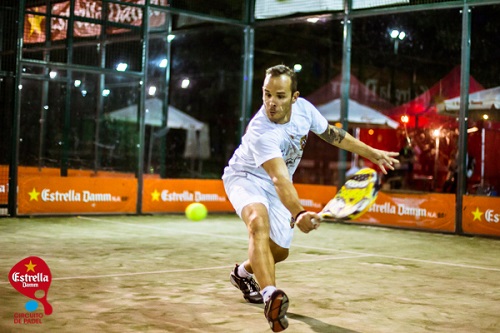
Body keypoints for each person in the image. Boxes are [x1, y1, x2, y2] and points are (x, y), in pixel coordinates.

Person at [222, 64, 399, 332]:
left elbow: (333, 134)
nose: (271, 102)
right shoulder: (262, 132)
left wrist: (370, 152)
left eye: (280, 95)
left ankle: (243, 273)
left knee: (279, 252)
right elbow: (279, 179)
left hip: (276, 183)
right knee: (258, 223)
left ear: (294, 97)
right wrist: (299, 213)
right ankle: (271, 295)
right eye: (267, 94)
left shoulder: (304, 109)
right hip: (245, 177)